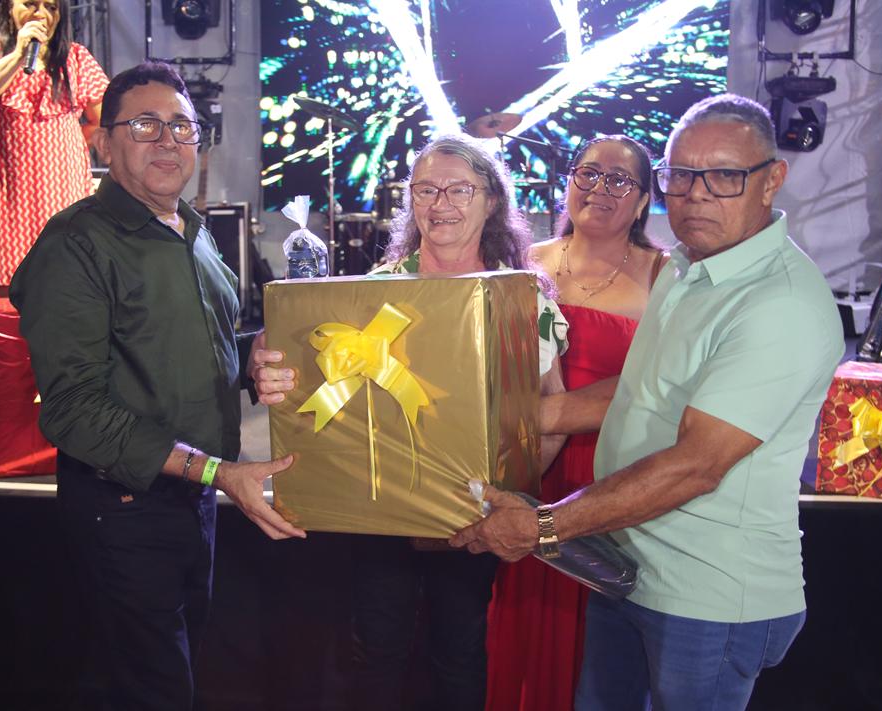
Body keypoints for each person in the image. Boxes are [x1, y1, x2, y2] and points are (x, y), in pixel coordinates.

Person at [450, 94, 844, 711]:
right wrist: (517, 420)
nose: (695, 195)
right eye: (681, 176)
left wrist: (542, 525)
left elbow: (696, 465)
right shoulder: (690, 266)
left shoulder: (779, 303)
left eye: (723, 176)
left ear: (772, 180)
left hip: (707, 597)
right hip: (629, 566)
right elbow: (641, 387)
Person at [10, 62, 305, 711]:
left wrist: (249, 358)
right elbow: (73, 409)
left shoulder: (193, 231)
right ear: (103, 143)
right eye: (145, 125)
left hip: (195, 496)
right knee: (155, 687)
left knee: (181, 664)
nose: (168, 140)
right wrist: (216, 471)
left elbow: (183, 349)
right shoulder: (76, 245)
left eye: (181, 126)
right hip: (124, 506)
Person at [253, 133, 568, 711]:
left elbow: (553, 417)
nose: (440, 203)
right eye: (426, 189)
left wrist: (503, 499)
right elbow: (317, 384)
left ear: (491, 201)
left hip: (474, 521)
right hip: (382, 517)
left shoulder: (525, 300)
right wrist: (268, 363)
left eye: (459, 189)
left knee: (459, 655)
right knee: (376, 653)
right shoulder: (369, 292)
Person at [484, 135, 667, 711]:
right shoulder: (525, 262)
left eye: (620, 180)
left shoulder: (665, 275)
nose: (599, 188)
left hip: (612, 475)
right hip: (531, 466)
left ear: (643, 200)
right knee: (524, 619)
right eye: (588, 173)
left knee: (598, 636)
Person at [0, 0, 109, 430]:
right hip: (6, 195)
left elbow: (108, 114)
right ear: (9, 6)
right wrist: (18, 53)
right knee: (5, 300)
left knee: (70, 296)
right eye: (30, 4)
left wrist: (77, 142)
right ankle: (2, 395)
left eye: (50, 6)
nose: (41, 14)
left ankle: (72, 397)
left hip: (61, 197)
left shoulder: (76, 58)